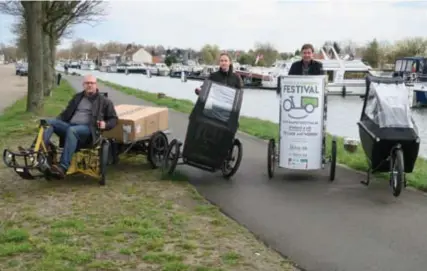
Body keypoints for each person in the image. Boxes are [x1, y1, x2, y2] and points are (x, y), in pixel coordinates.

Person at [36, 75, 118, 178]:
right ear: (83, 85)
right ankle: (36, 152)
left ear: (96, 85)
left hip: (89, 130)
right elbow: (65, 114)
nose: (89, 85)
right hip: (70, 126)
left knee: (72, 130)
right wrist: (56, 122)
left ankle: (62, 167)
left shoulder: (104, 101)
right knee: (48, 122)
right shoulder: (77, 97)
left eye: (92, 83)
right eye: (87, 83)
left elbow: (114, 119)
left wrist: (105, 124)